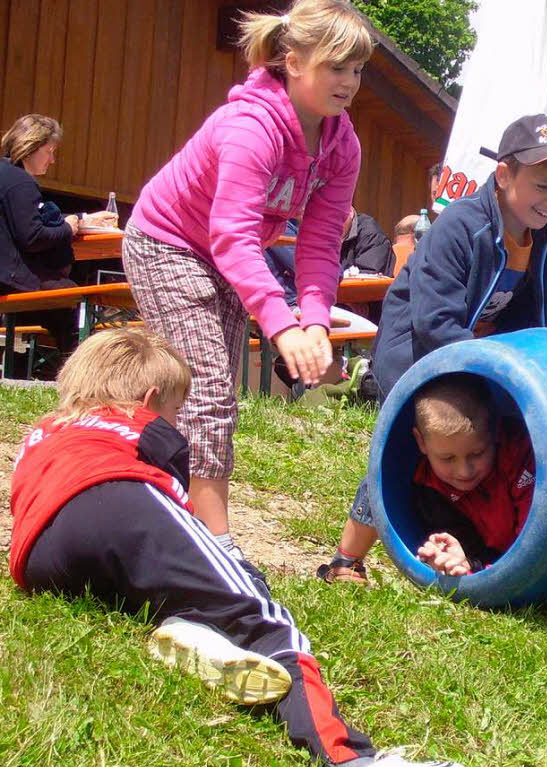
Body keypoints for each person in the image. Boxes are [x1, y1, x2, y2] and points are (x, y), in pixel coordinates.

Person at [9, 327, 461, 766]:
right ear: (148, 402)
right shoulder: (140, 424)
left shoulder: (47, 430)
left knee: (160, 586)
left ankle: (194, 631)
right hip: (123, 501)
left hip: (38, 556)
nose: (174, 420)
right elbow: (173, 501)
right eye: (174, 410)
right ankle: (348, 755)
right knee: (261, 615)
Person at [318, 113, 547, 585]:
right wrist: (493, 378)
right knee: (407, 452)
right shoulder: (460, 226)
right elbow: (434, 320)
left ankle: (495, 551)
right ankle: (347, 559)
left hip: (490, 364)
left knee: (499, 455)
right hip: (420, 354)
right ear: (504, 175)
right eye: (543, 186)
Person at [121, 0, 368, 559]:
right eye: (337, 67)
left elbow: (321, 243)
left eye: (357, 70)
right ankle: (217, 547)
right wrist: (281, 327)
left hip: (229, 257)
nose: (350, 82)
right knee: (207, 388)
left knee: (212, 393)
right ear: (292, 59)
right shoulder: (251, 127)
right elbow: (231, 234)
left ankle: (153, 488)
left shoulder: (341, 144)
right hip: (168, 243)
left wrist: (313, 322)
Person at [0, 114, 116, 370]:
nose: (52, 160)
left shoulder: (6, 176)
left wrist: (83, 218)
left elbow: (28, 220)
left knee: (63, 305)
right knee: (76, 307)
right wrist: (67, 228)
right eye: (49, 151)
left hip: (6, 277)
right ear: (30, 147)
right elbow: (32, 237)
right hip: (12, 279)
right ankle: (83, 378)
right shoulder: (21, 183)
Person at [410, 373, 535, 575]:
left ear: (495, 430)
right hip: (489, 555)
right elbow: (465, 548)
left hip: (527, 553)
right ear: (421, 442)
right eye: (447, 458)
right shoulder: (430, 489)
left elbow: (538, 533)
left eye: (477, 454)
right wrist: (464, 562)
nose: (464, 471)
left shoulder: (521, 454)